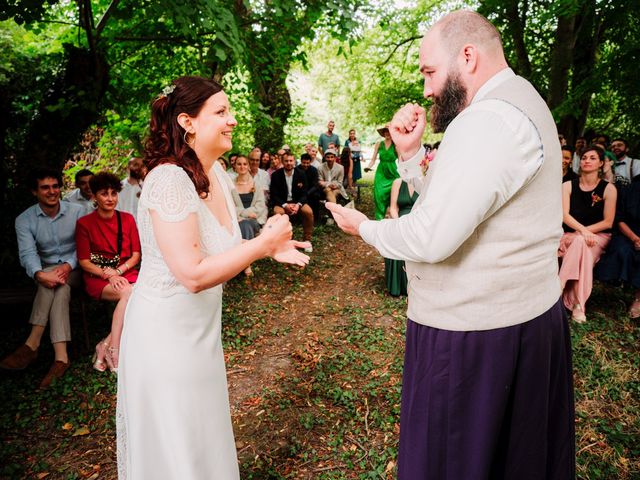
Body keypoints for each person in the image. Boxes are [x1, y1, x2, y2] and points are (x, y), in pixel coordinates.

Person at [327, 10, 574, 479]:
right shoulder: (521, 101)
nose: (426, 89)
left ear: (468, 56)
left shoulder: (487, 121)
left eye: (429, 72)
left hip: (475, 337)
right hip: (520, 321)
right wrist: (411, 156)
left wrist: (365, 227)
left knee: (451, 462)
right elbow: (463, 204)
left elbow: (431, 235)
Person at [116, 76, 309, 479]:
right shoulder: (167, 180)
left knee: (205, 439)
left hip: (201, 335)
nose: (232, 120)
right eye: (221, 112)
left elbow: (222, 251)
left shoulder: (216, 173)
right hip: (164, 339)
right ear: (187, 122)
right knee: (179, 447)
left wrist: (270, 248)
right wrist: (261, 245)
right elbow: (191, 274)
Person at [1, 168, 84, 388]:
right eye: (45, 187)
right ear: (34, 192)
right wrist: (39, 274)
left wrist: (68, 265)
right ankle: (61, 358)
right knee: (58, 287)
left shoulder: (77, 212)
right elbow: (28, 254)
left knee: (61, 282)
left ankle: (32, 343)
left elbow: (85, 246)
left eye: (55, 186)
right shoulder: (24, 220)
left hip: (76, 268)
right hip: (46, 268)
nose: (52, 191)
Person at [75, 172, 141, 372]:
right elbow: (84, 262)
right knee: (130, 293)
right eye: (104, 194)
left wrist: (118, 271)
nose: (110, 198)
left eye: (114, 193)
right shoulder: (84, 224)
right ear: (94, 196)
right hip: (98, 278)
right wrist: (109, 275)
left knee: (143, 292)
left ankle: (104, 343)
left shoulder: (127, 219)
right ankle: (115, 349)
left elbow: (136, 254)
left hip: (125, 272)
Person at [559, 145, 616, 322]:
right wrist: (582, 232)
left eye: (592, 158)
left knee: (579, 243)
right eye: (584, 157)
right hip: (572, 235)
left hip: (598, 237)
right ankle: (578, 305)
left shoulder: (608, 189)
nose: (587, 161)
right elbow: (564, 215)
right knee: (579, 243)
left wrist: (584, 233)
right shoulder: (568, 185)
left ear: (601, 163)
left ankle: (558, 289)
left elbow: (608, 222)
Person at [595, 174, 640, 317]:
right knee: (621, 249)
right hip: (628, 234)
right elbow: (619, 219)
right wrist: (634, 238)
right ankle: (608, 287)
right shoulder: (631, 189)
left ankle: (638, 299)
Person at [270, 152, 314, 252]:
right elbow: (274, 195)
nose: (289, 163)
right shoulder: (276, 175)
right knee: (278, 213)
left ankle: (307, 241)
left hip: (297, 202)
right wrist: (285, 205)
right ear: (282, 161)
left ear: (294, 161)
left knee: (308, 212)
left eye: (291, 160)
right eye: (286, 161)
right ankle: (283, 242)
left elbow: (304, 194)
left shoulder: (301, 174)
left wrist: (298, 205)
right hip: (282, 202)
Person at [384, 178, 419, 296]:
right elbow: (393, 208)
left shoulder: (424, 182)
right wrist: (399, 223)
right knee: (394, 238)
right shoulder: (397, 183)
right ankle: (398, 284)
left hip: (418, 222)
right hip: (400, 221)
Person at [365, 126, 400, 219]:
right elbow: (373, 159)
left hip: (393, 172)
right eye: (385, 132)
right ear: (383, 133)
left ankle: (391, 217)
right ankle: (379, 218)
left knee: (393, 196)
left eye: (388, 131)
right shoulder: (379, 144)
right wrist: (368, 167)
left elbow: (401, 159)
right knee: (379, 194)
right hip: (381, 172)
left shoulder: (396, 144)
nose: (387, 133)